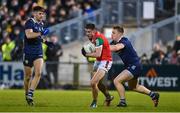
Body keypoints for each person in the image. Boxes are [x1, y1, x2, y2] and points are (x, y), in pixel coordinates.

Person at [110, 26, 159, 107]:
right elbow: (108, 47)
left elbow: (116, 47)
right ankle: (153, 95)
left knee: (116, 81)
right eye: (112, 32)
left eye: (113, 33)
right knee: (134, 87)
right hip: (135, 66)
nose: (112, 34)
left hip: (134, 66)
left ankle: (123, 102)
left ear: (120, 34)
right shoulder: (114, 42)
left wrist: (103, 47)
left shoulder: (124, 41)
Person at [81, 23, 113, 108]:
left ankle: (94, 102)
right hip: (98, 61)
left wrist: (86, 54)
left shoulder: (99, 39)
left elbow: (98, 54)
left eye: (89, 32)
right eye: (86, 32)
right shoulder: (92, 37)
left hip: (105, 61)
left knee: (92, 82)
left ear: (94, 31)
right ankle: (108, 97)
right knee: (97, 84)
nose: (87, 34)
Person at [23, 6, 50, 106]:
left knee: (38, 73)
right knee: (27, 77)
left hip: (38, 51)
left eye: (43, 14)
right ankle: (26, 93)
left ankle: (30, 94)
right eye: (40, 13)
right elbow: (29, 35)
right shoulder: (29, 22)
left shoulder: (42, 24)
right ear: (34, 14)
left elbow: (38, 37)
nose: (42, 15)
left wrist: (46, 42)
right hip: (28, 52)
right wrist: (41, 33)